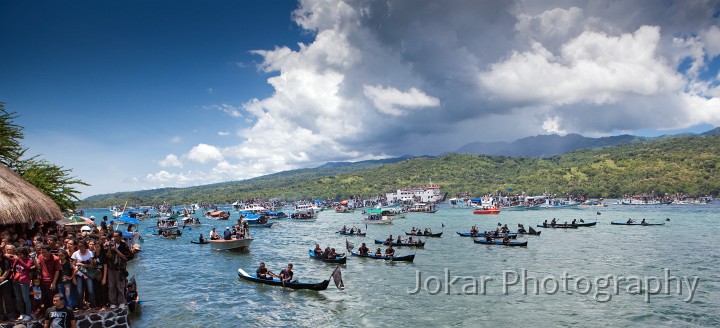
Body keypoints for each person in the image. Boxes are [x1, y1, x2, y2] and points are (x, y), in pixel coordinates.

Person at [106, 232, 130, 309]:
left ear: (120, 237)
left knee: (120, 286)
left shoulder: (124, 246)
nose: (114, 238)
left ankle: (121, 301)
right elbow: (109, 256)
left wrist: (116, 250)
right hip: (111, 268)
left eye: (116, 236)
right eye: (114, 236)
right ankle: (113, 302)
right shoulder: (111, 245)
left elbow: (124, 257)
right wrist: (109, 248)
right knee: (111, 285)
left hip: (120, 268)